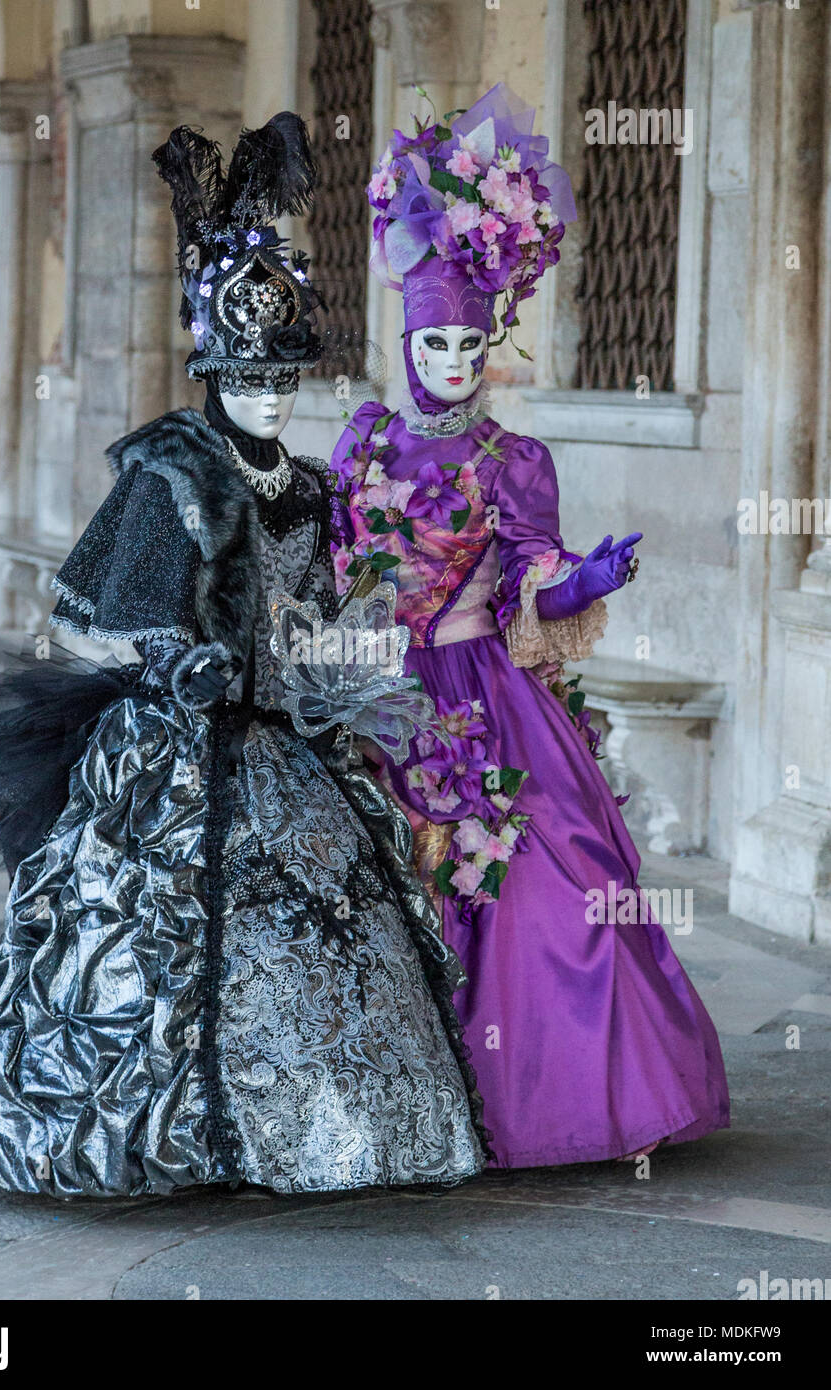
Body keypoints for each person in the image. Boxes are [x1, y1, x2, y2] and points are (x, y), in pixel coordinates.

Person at [0, 113, 487, 1197]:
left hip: (286, 743)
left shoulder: (312, 485)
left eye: (284, 381)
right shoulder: (170, 471)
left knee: (335, 913)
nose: (270, 399)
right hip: (175, 749)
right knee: (158, 935)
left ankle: (324, 1123)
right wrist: (178, 663)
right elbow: (106, 609)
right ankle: (177, 1127)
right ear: (211, 371)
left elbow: (317, 602)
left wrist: (335, 669)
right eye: (249, 379)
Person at [330, 85, 729, 1168]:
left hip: (486, 697)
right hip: (375, 691)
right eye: (436, 346)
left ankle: (552, 1101)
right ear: (406, 344)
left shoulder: (514, 462)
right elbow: (325, 576)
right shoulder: (361, 448)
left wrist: (575, 582)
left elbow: (526, 589)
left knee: (558, 884)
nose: (455, 365)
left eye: (471, 346)